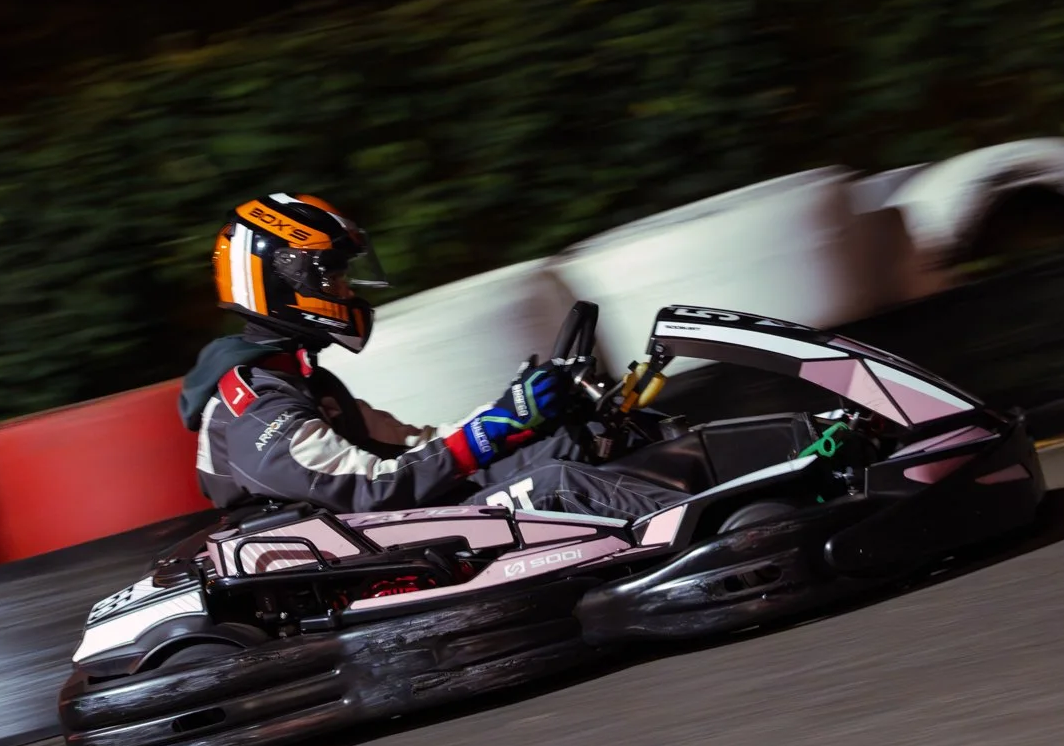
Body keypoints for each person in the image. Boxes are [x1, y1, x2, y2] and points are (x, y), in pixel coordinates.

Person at [179, 193, 687, 520]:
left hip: (387, 525)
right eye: (331, 276)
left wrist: (515, 415)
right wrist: (494, 429)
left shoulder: (303, 380)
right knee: (555, 482)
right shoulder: (253, 403)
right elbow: (369, 490)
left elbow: (416, 446)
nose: (345, 290)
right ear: (283, 281)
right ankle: (703, 524)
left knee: (583, 440)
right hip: (355, 550)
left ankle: (717, 477)